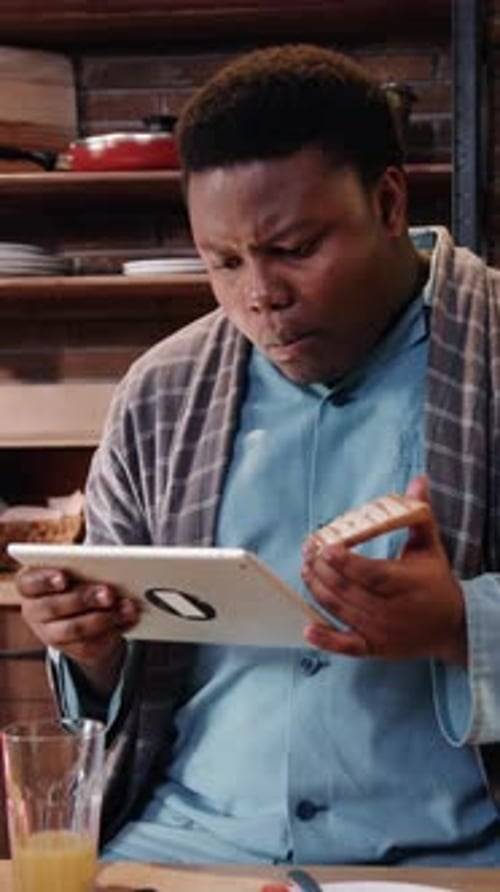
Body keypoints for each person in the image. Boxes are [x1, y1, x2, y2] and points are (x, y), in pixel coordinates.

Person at [16, 43, 500, 866]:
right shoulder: (161, 393)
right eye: (224, 261)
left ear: (388, 203)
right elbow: (111, 692)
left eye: (295, 249)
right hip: (183, 850)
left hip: (450, 861)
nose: (259, 295)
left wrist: (462, 625)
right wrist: (90, 648)